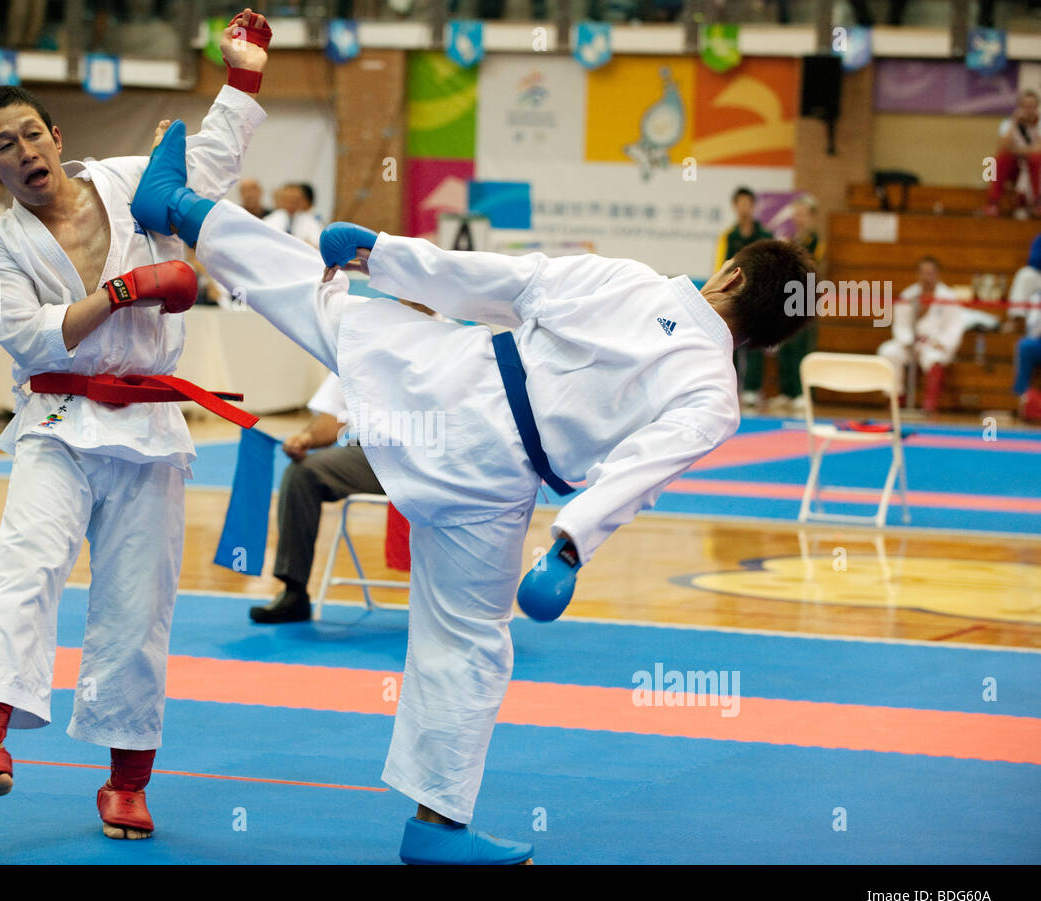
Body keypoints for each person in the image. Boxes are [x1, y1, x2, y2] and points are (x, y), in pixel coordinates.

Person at [130, 123, 815, 863]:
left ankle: (178, 206)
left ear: (734, 276)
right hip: (494, 484)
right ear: (767, 341)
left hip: (442, 384)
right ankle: (436, 826)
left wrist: (381, 255)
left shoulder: (631, 281)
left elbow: (501, 282)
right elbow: (642, 470)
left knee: (313, 300)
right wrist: (569, 546)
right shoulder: (716, 396)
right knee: (468, 644)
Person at [0, 8, 271, 842]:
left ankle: (126, 783)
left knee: (137, 608)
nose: (26, 152)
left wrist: (243, 76)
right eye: (6, 146)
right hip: (57, 422)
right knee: (25, 565)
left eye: (33, 134)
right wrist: (129, 291)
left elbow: (205, 166)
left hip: (149, 431)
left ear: (57, 136)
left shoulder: (131, 182)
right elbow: (28, 335)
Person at [249, 372, 384, 624]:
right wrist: (308, 437)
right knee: (303, 473)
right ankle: (294, 591)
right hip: (373, 455)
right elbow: (333, 417)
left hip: (432, 452)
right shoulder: (353, 349)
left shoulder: (443, 343)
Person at [877, 256, 964, 414]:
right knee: (888, 351)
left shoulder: (948, 298)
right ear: (917, 274)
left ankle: (930, 403)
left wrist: (944, 343)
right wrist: (907, 341)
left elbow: (955, 327)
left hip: (934, 343)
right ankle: (895, 398)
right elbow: (900, 324)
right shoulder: (908, 295)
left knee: (935, 358)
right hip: (909, 342)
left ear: (938, 274)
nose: (926, 277)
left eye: (930, 273)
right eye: (923, 273)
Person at [714, 187, 773, 407]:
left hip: (759, 297)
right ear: (735, 206)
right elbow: (721, 268)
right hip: (735, 298)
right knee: (732, 344)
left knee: (755, 344)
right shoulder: (728, 237)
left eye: (748, 203)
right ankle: (732, 387)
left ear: (753, 206)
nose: (744, 208)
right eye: (740, 203)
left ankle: (751, 390)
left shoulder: (766, 236)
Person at [769, 194, 824, 412]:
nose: (798, 218)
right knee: (787, 346)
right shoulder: (791, 239)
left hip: (806, 298)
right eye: (796, 214)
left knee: (803, 347)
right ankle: (787, 392)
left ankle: (803, 392)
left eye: (802, 214)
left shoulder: (815, 240)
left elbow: (811, 263)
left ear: (811, 216)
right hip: (788, 299)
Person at [984, 90, 1041, 218]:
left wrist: (1018, 149)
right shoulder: (1008, 123)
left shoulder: (1039, 124)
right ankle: (993, 202)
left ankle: (1038, 201)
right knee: (1000, 159)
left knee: (1036, 159)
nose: (1028, 110)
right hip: (1014, 167)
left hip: (1034, 168)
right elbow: (1002, 147)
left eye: (1031, 106)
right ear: (1019, 107)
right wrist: (1015, 123)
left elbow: (1039, 150)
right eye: (1025, 106)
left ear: (1036, 108)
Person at [263, 182, 322, 247]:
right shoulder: (269, 220)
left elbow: (317, 245)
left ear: (302, 201)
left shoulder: (311, 221)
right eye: (287, 199)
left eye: (295, 199)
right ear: (280, 200)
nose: (291, 203)